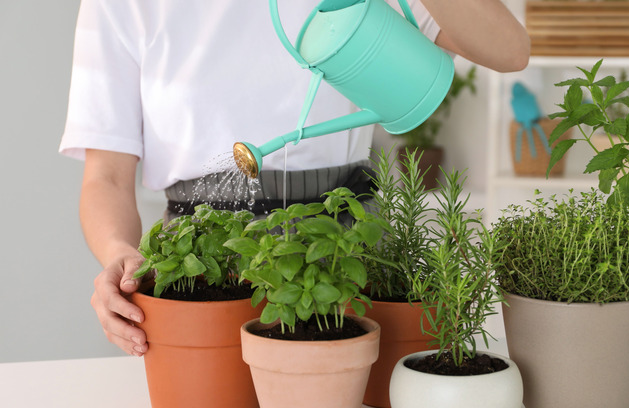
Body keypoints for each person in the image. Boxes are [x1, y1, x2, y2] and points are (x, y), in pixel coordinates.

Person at [59, 0, 530, 358]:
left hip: (347, 251)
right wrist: (119, 253)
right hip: (201, 266)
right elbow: (107, 178)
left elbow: (509, 50)